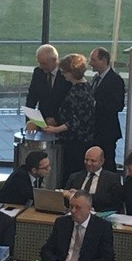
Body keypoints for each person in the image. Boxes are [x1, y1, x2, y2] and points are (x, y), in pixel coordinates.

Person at [43, 53, 95, 187]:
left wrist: (55, 129)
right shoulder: (83, 87)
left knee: (71, 174)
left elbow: (75, 121)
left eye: (64, 71)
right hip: (78, 139)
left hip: (76, 142)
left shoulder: (79, 91)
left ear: (72, 72)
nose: (62, 74)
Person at [40, 190, 114, 261]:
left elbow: (107, 259)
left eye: (78, 208)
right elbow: (46, 250)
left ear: (89, 209)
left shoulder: (102, 227)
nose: (73, 211)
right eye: (71, 207)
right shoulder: (62, 223)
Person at [88, 47, 125, 172]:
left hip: (107, 131)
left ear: (103, 61)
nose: (90, 63)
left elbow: (118, 105)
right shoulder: (95, 78)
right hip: (95, 130)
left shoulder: (115, 80)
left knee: (107, 162)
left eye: (93, 60)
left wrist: (95, 104)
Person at [25, 44, 72, 129]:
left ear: (54, 60)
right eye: (39, 63)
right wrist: (30, 120)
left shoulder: (67, 75)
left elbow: (70, 103)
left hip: (62, 125)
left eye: (44, 63)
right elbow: (31, 97)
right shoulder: (38, 72)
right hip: (42, 124)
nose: (41, 66)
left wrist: (57, 119)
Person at [64, 146, 122, 212]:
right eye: (86, 160)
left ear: (102, 161)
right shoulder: (75, 177)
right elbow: (65, 198)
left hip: (100, 213)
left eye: (93, 161)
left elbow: (112, 202)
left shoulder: (112, 179)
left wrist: (76, 195)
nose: (88, 163)